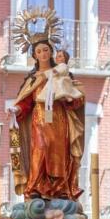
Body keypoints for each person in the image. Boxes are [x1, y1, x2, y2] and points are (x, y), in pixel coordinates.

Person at [11, 37, 85, 201]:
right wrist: (16, 109)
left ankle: (61, 188)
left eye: (45, 50)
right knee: (40, 149)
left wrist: (70, 99)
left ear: (51, 52)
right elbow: (27, 100)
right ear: (34, 56)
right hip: (39, 118)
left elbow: (75, 95)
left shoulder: (61, 73)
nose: (43, 54)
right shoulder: (33, 78)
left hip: (59, 118)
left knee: (59, 151)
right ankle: (37, 187)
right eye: (38, 51)